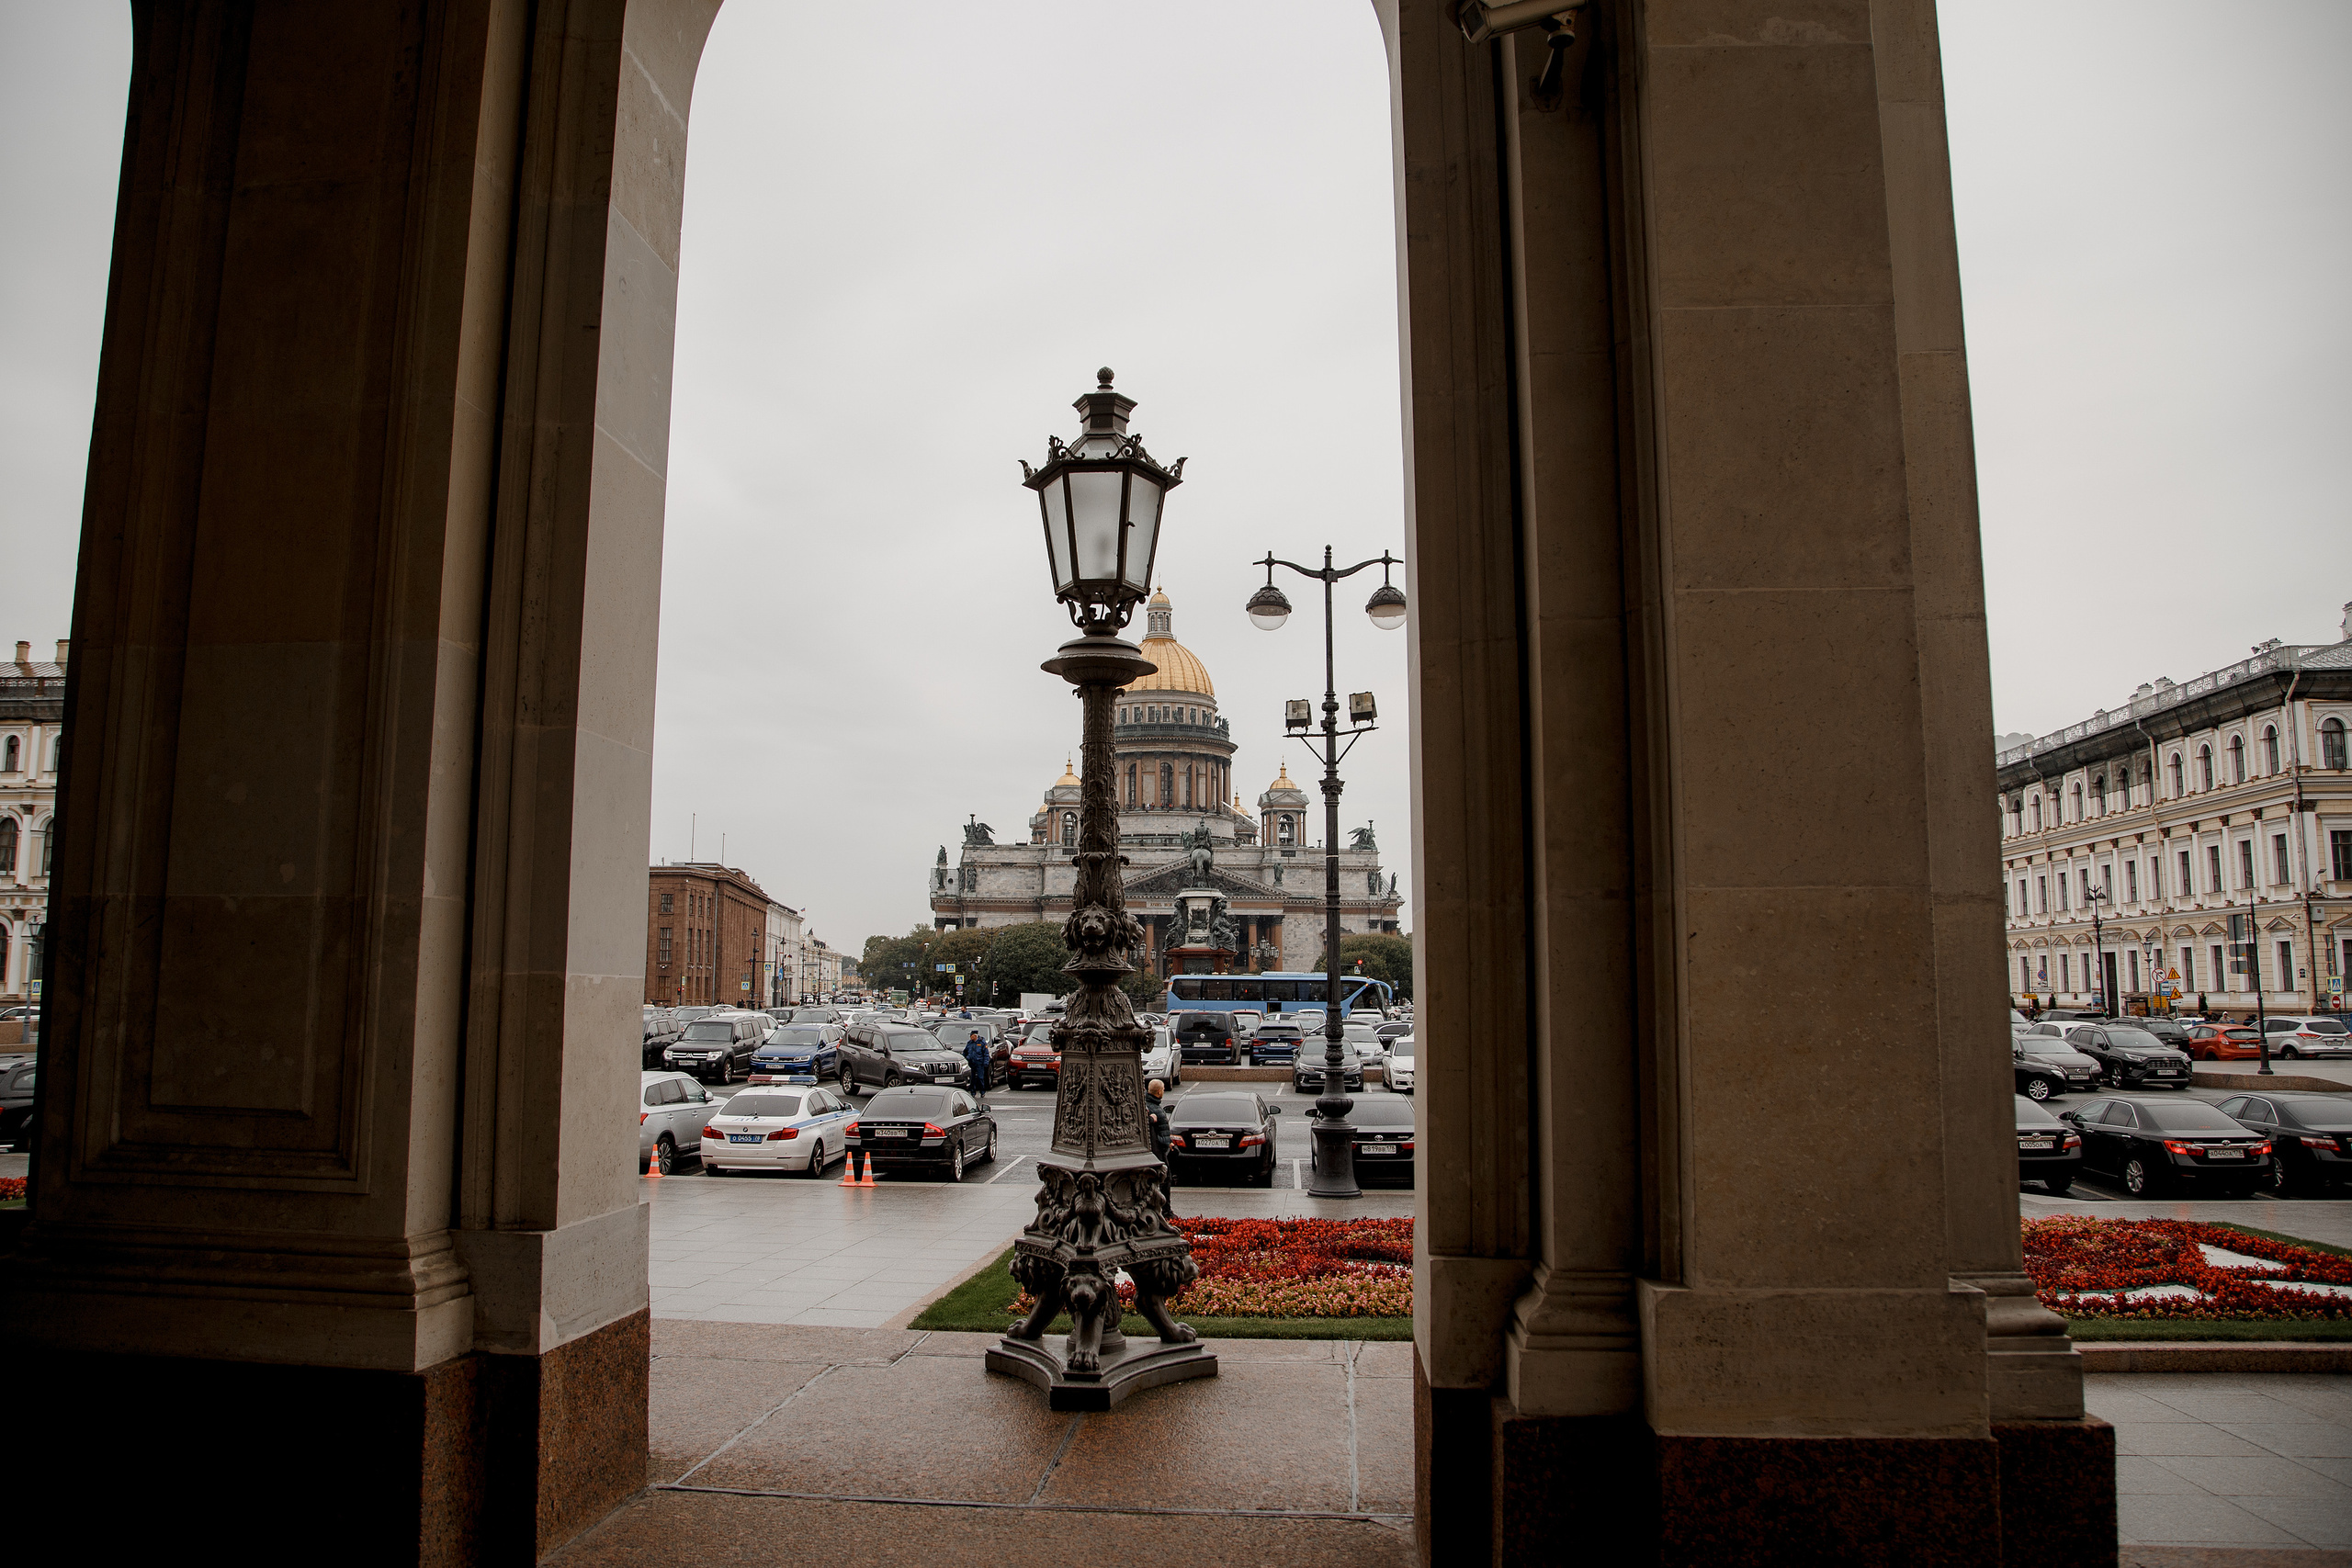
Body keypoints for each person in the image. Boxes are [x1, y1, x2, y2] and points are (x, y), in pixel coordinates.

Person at [963, 1031, 993, 1108]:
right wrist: (965, 1059)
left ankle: (982, 1091)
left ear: (975, 1036)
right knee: (972, 1078)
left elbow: (986, 1053)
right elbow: (965, 1052)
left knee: (980, 1077)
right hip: (971, 1063)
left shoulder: (982, 1043)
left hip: (979, 1063)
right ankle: (973, 1091)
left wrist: (986, 1062)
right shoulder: (970, 1043)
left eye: (972, 1035)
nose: (970, 1037)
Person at [1147, 1078, 1171, 1163]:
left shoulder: (1149, 1104)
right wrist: (1166, 1143)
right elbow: (1162, 1129)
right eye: (1163, 1090)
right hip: (1158, 1149)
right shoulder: (1155, 1109)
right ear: (1159, 1092)